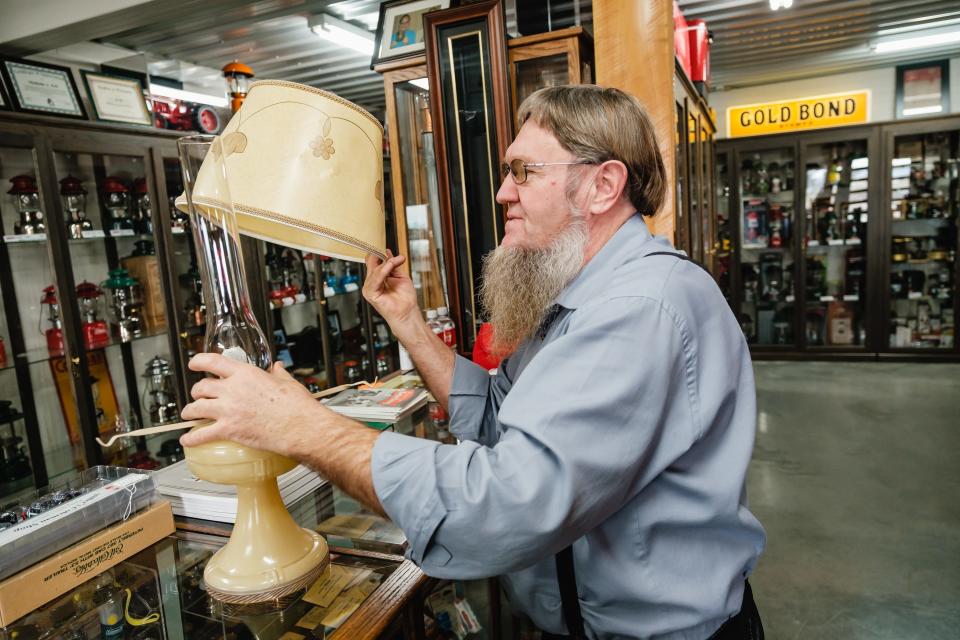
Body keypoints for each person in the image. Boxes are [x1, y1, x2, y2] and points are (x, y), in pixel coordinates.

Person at [181, 85, 766, 639]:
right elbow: (493, 413)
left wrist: (304, 427)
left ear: (603, 185)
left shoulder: (641, 310)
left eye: (524, 172)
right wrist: (406, 319)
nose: (503, 192)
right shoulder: (579, 291)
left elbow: (506, 505)